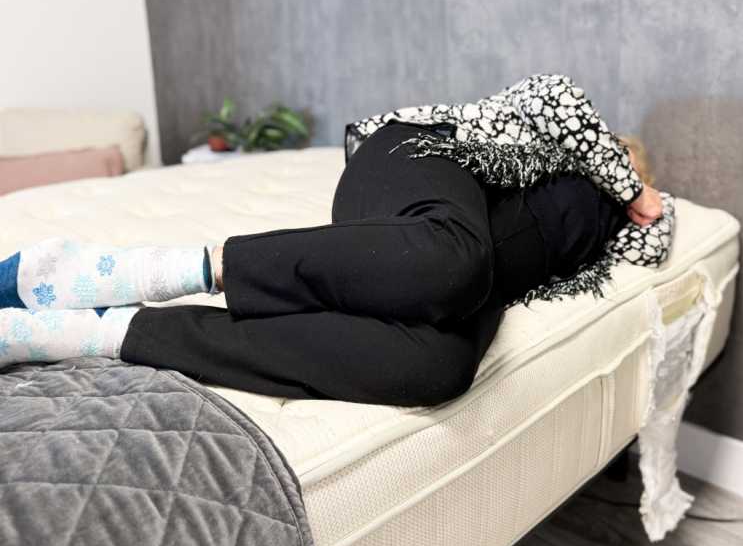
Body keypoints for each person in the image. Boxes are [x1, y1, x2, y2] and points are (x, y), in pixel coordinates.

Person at [0, 74, 674, 407]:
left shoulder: (616, 231)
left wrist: (648, 208)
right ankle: (159, 269)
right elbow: (556, 92)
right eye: (624, 163)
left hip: (454, 275)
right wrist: (626, 179)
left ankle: (99, 333)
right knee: (453, 259)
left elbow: (655, 246)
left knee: (436, 369)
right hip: (413, 164)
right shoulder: (562, 146)